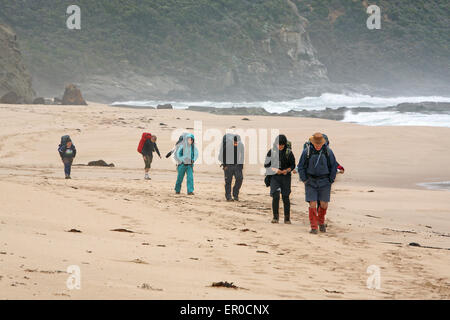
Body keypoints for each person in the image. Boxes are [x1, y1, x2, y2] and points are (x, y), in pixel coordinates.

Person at [298, 132, 338, 234]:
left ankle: (321, 222)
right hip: (310, 181)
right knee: (313, 204)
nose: (318, 146)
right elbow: (301, 166)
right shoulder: (306, 151)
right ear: (313, 143)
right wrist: (304, 179)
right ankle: (314, 227)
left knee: (324, 204)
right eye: (316, 144)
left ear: (322, 143)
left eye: (319, 145)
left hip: (325, 181)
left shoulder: (328, 151)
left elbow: (334, 166)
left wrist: (331, 179)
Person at [264, 134, 296, 224]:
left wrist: (287, 170)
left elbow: (293, 165)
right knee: (276, 196)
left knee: (286, 197)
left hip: (286, 177)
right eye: (279, 144)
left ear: (285, 144)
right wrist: (275, 170)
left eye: (282, 145)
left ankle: (287, 218)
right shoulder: (271, 152)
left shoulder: (288, 153)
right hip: (275, 177)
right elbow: (266, 165)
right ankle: (275, 217)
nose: (280, 146)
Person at [219, 134, 244, 201]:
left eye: (237, 142)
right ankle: (228, 196)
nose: (236, 143)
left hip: (237, 165)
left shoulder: (241, 145)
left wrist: (241, 165)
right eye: (235, 142)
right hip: (228, 165)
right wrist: (224, 165)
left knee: (240, 179)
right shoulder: (227, 145)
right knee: (228, 181)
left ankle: (235, 194)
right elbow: (222, 155)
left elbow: (242, 155)